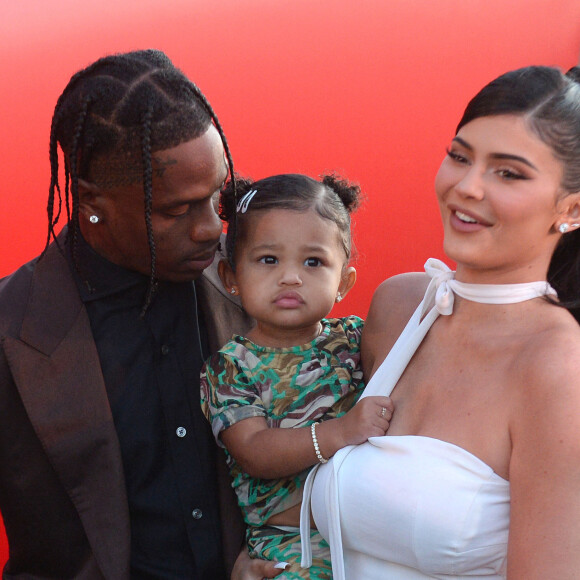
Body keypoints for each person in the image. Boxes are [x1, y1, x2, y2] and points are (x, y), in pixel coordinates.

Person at [0, 49, 282, 580]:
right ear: (92, 203)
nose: (209, 229)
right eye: (176, 209)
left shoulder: (257, 281)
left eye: (217, 197)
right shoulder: (10, 330)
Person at [302, 65, 580, 579]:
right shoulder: (400, 305)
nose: (467, 187)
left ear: (571, 209)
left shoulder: (560, 369)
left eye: (509, 172)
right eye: (459, 156)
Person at [200, 174, 393, 579]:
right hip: (290, 542)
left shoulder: (357, 339)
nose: (291, 277)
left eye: (313, 262)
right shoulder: (231, 365)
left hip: (373, 532)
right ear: (231, 276)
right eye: (269, 259)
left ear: (343, 282)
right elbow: (253, 450)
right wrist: (338, 432)